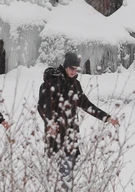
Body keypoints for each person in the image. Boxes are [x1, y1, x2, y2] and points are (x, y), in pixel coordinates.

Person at [38, 52, 119, 188]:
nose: (74, 72)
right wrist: (50, 123)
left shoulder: (75, 85)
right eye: (71, 68)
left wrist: (106, 117)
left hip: (71, 136)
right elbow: (42, 107)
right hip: (56, 136)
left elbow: (86, 105)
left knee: (69, 175)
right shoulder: (52, 82)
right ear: (65, 67)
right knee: (62, 177)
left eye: (76, 69)